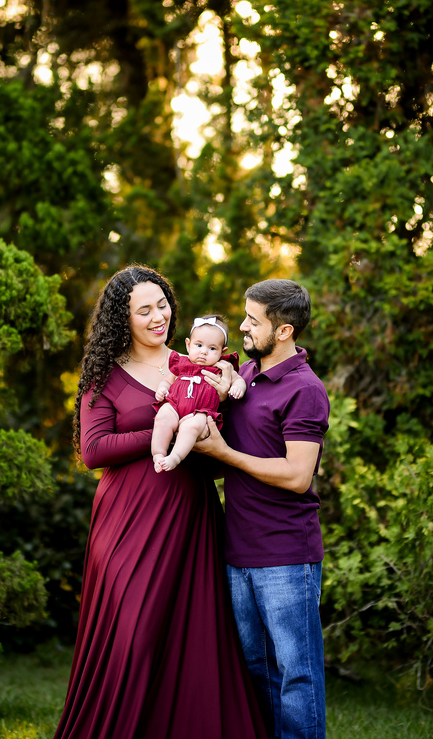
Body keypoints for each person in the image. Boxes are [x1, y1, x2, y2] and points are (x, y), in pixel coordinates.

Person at [53, 265, 266, 739]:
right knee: (133, 636)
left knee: (195, 641)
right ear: (121, 319)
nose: (157, 317)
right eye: (143, 310)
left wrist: (211, 422)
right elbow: (93, 450)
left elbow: (218, 452)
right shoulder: (104, 375)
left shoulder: (198, 363)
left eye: (163, 305)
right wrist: (164, 427)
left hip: (191, 518)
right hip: (127, 522)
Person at [194, 279, 331, 739]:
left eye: (253, 321)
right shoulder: (245, 375)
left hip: (286, 555)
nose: (242, 327)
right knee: (257, 671)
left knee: (297, 675)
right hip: (239, 553)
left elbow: (297, 475)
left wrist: (224, 454)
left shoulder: (305, 389)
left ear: (284, 330)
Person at [151, 315, 246, 472]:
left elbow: (238, 380)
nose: (203, 352)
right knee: (162, 417)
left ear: (222, 351)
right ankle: (158, 454)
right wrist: (162, 389)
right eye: (199, 345)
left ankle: (175, 456)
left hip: (201, 412)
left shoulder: (220, 367)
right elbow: (167, 380)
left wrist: (238, 387)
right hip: (175, 404)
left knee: (192, 427)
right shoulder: (182, 363)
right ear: (188, 345)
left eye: (212, 348)